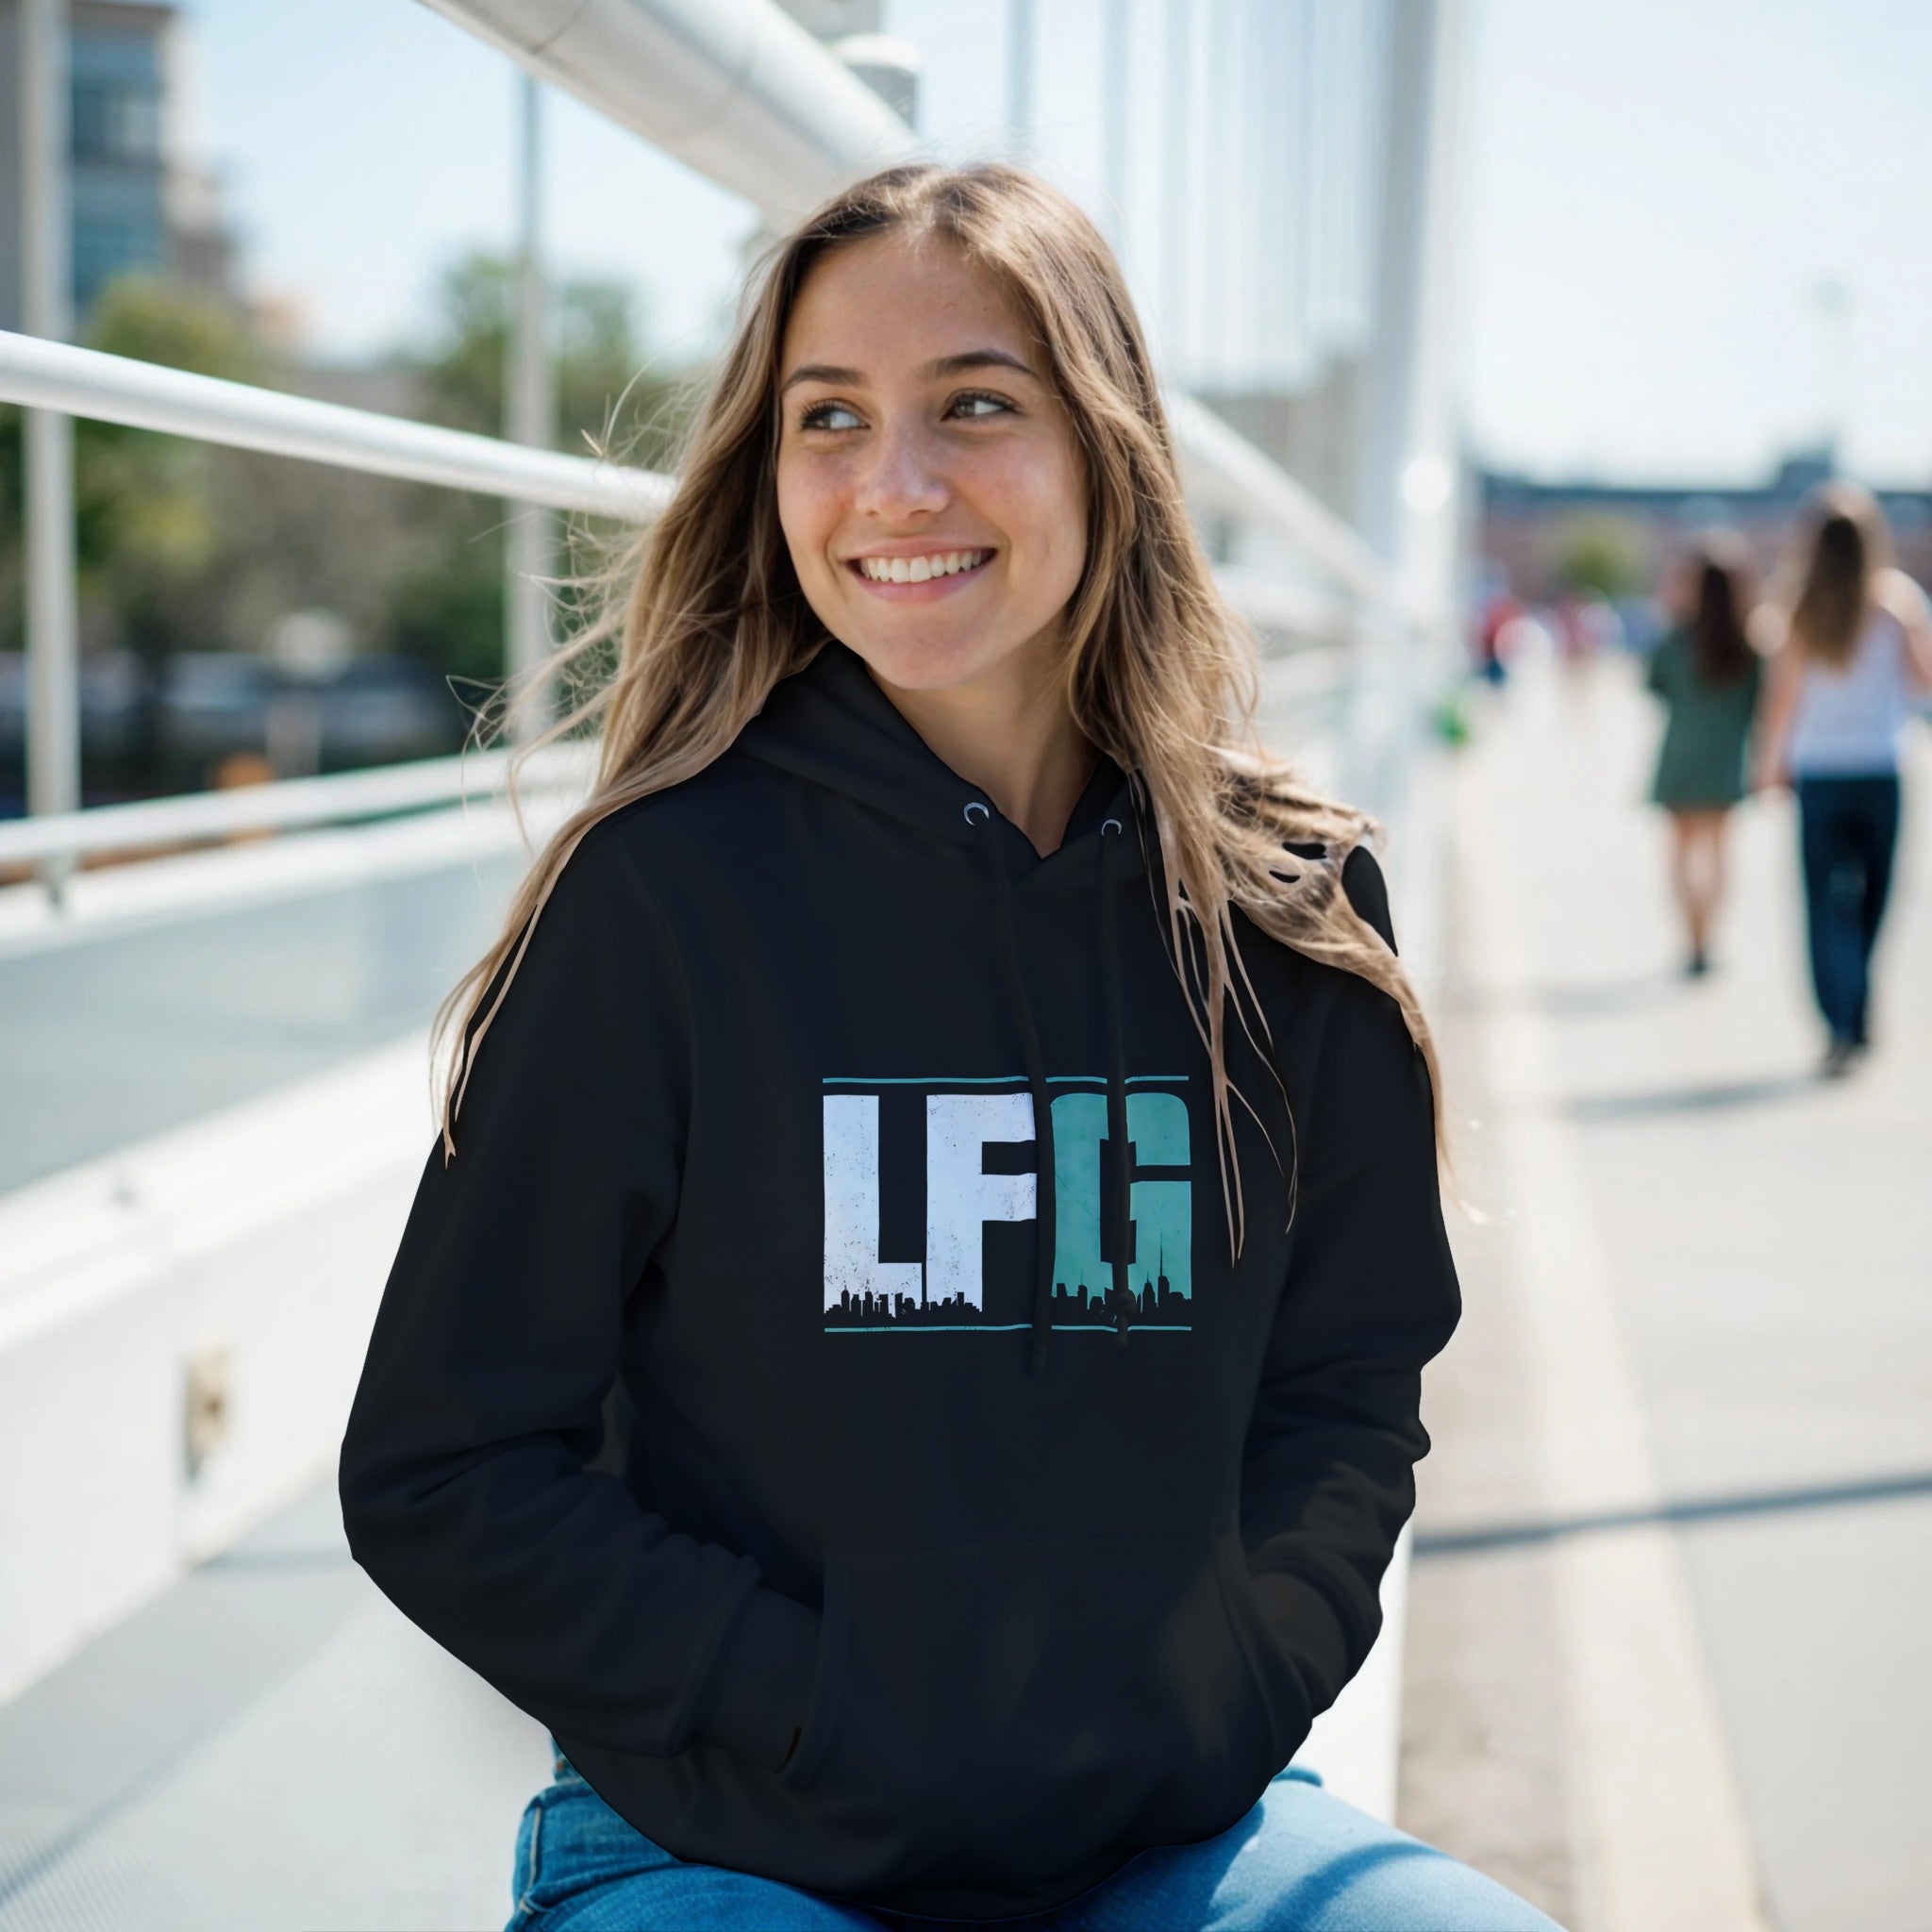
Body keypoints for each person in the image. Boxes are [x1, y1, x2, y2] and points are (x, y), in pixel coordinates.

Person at [337, 160, 1561, 1932]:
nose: (893, 486)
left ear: (1105, 443)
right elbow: (442, 1464)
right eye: (828, 419)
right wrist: (814, 1702)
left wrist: (1225, 1679)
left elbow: (1348, 1385)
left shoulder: (1289, 904)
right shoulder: (666, 896)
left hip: (1169, 1815)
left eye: (974, 405)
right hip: (722, 1827)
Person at [1751, 482, 1932, 1076]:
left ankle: (1840, 1015)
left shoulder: (1796, 606)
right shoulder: (1897, 603)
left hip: (1822, 771)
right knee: (1875, 898)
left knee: (1824, 902)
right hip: (1881, 767)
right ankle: (1856, 1004)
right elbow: (1923, 681)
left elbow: (1783, 701)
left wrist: (1768, 765)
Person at [1641, 532, 1764, 977]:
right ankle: (1707, 937)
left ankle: (1690, 936)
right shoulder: (1751, 646)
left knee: (1680, 854)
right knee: (1717, 855)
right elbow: (1761, 707)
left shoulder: (1677, 640)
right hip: (1726, 762)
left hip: (1681, 760)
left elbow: (1653, 686)